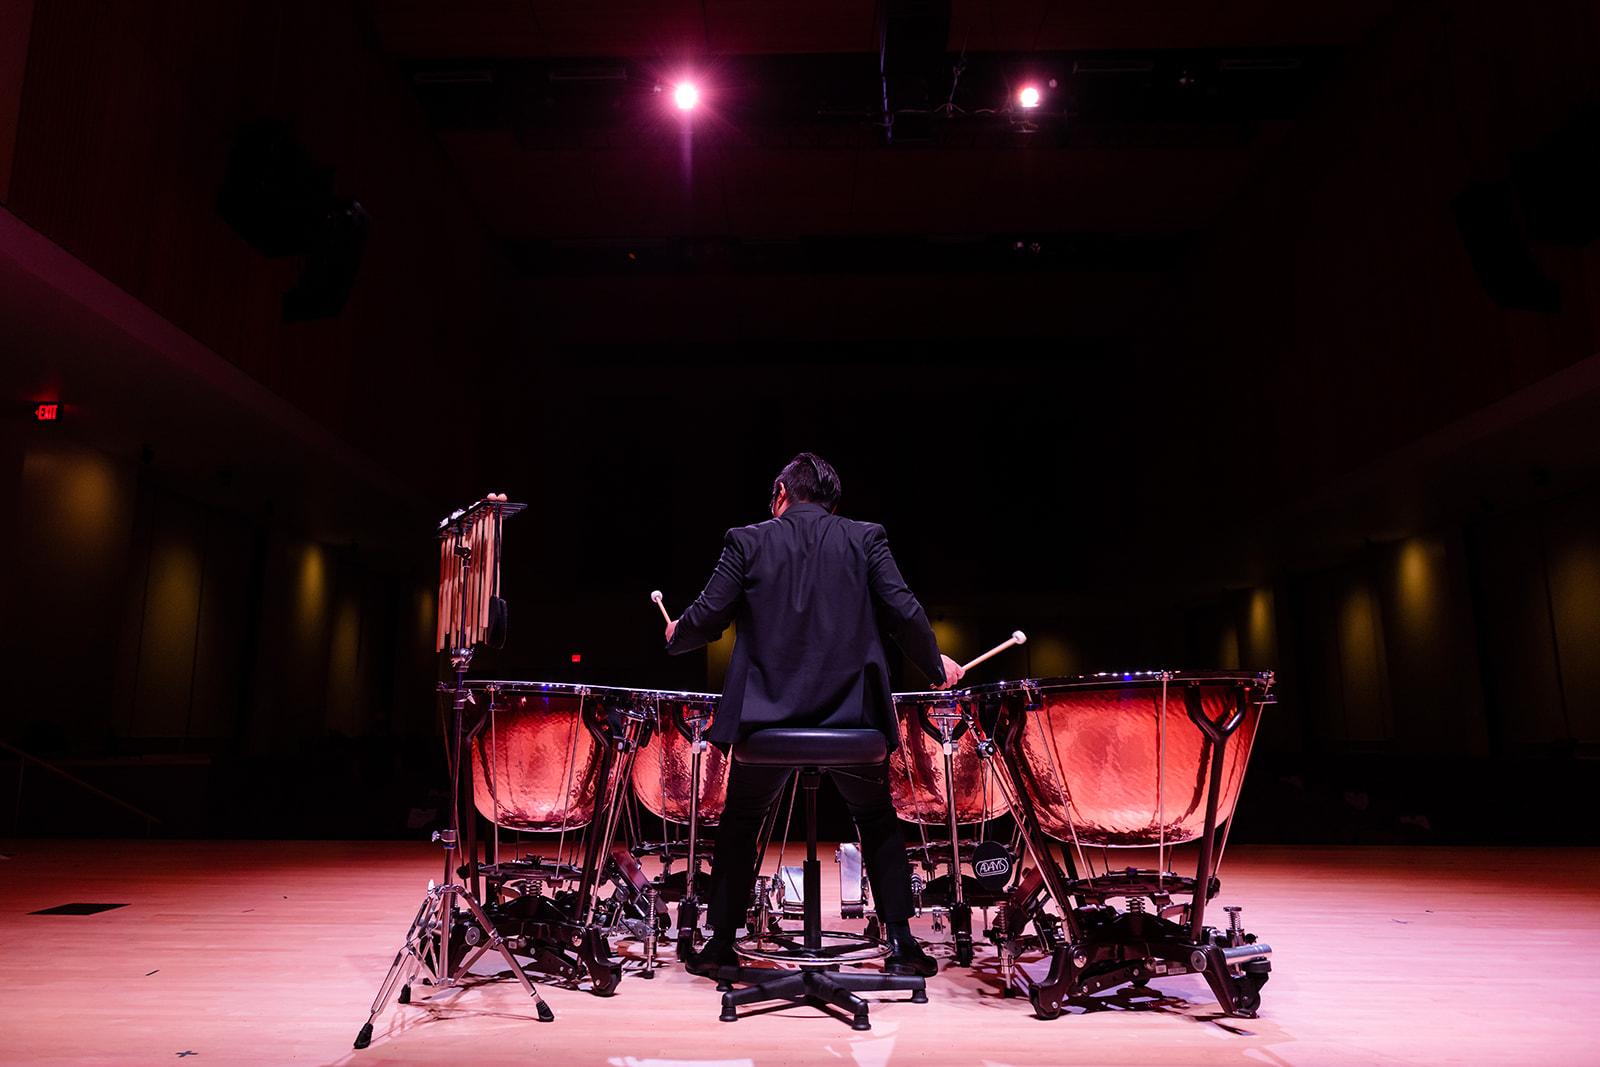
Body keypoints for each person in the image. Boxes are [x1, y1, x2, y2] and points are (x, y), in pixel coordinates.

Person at [664, 452, 964, 977]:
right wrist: (933, 664)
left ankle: (719, 947)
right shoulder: (865, 537)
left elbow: (707, 616)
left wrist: (678, 634)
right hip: (852, 722)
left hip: (766, 726)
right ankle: (901, 942)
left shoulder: (748, 539)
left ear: (780, 491)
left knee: (741, 821)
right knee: (875, 819)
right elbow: (904, 612)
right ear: (832, 502)